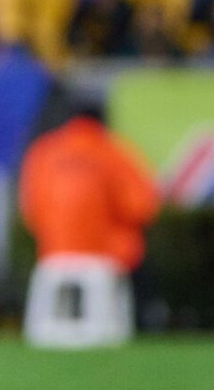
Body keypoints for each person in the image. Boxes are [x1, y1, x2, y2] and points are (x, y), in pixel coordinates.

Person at [19, 103, 160, 274]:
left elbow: (31, 211)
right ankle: (144, 302)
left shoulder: (43, 151)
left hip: (54, 252)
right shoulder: (113, 151)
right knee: (139, 263)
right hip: (108, 253)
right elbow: (142, 207)